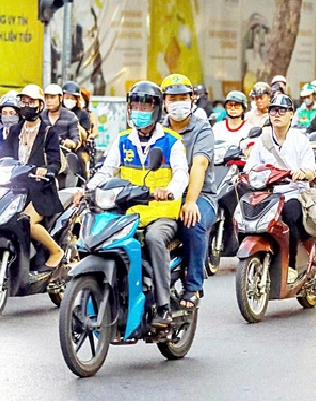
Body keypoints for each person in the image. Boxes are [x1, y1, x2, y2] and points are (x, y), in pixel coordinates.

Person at [81, 81, 189, 327]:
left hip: (161, 214)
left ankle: (163, 307)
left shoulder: (171, 142)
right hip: (126, 214)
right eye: (135, 105)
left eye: (146, 105)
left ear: (157, 110)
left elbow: (182, 174)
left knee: (153, 239)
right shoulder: (122, 141)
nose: (139, 110)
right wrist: (87, 189)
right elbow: (106, 171)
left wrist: (170, 191)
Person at [244, 94, 316, 280]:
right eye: (273, 110)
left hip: (294, 192)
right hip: (268, 194)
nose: (277, 114)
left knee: (290, 215)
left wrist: (302, 173)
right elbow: (250, 167)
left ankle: (293, 265)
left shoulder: (300, 140)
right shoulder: (263, 140)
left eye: (282, 110)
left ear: (291, 114)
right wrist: (242, 176)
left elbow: (310, 170)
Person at [161, 73, 217, 310]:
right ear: (163, 101)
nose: (177, 102)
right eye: (172, 98)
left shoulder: (202, 130)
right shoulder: (156, 129)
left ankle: (193, 285)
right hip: (163, 196)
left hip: (200, 196)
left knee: (191, 221)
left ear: (192, 99)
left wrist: (191, 201)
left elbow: (199, 166)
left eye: (182, 97)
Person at [0, 84, 66, 267]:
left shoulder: (48, 132)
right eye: (23, 100)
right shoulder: (15, 130)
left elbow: (55, 162)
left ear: (40, 105)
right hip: (14, 187)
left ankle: (56, 250)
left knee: (27, 221)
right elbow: (4, 156)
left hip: (40, 188)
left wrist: (47, 170)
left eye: (31, 101)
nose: (26, 104)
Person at [42, 83, 80, 152]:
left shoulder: (71, 117)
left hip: (64, 156)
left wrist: (71, 143)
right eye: (47, 97)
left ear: (60, 98)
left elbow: (76, 138)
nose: (49, 100)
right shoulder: (40, 117)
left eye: (52, 97)